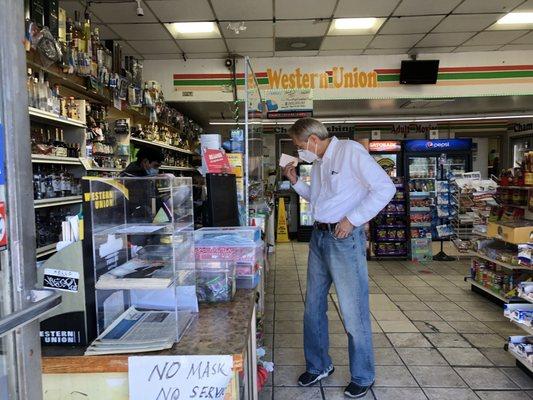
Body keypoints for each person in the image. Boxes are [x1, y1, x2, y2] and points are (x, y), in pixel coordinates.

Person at [282, 118, 395, 398]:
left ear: (312, 140)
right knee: (313, 308)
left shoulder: (350, 152)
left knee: (352, 311)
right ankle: (319, 365)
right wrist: (296, 182)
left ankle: (363, 374)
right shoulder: (319, 162)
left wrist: (353, 219)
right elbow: (320, 201)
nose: (299, 153)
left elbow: (384, 188)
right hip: (319, 239)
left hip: (344, 241)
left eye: (299, 147)